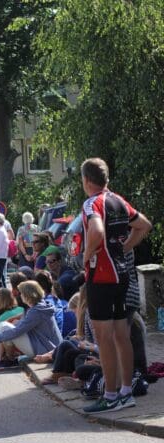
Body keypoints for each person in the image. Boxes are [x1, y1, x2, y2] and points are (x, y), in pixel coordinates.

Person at [79, 157, 151, 414]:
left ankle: (110, 395)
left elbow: (96, 232)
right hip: (122, 276)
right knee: (122, 336)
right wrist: (125, 247)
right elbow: (144, 225)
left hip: (101, 277)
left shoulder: (91, 203)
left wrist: (86, 256)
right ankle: (126, 393)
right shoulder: (118, 200)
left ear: (86, 181)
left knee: (105, 338)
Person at [0, 280, 61, 370]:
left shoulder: (36, 311)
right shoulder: (40, 306)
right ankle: (3, 359)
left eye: (22, 293)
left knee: (4, 327)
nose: (20, 296)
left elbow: (18, 331)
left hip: (44, 350)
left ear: (28, 295)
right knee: (4, 327)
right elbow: (21, 325)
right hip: (45, 346)